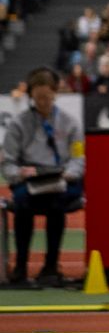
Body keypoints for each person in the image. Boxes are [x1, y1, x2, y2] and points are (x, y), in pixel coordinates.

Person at [1, 67, 84, 287]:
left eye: (47, 97)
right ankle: (20, 267)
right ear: (31, 96)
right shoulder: (18, 124)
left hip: (61, 178)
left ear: (55, 93)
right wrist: (19, 172)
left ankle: (51, 265)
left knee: (57, 205)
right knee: (22, 205)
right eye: (38, 98)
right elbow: (8, 162)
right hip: (30, 179)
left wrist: (69, 174)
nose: (43, 103)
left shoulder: (70, 123)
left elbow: (79, 158)